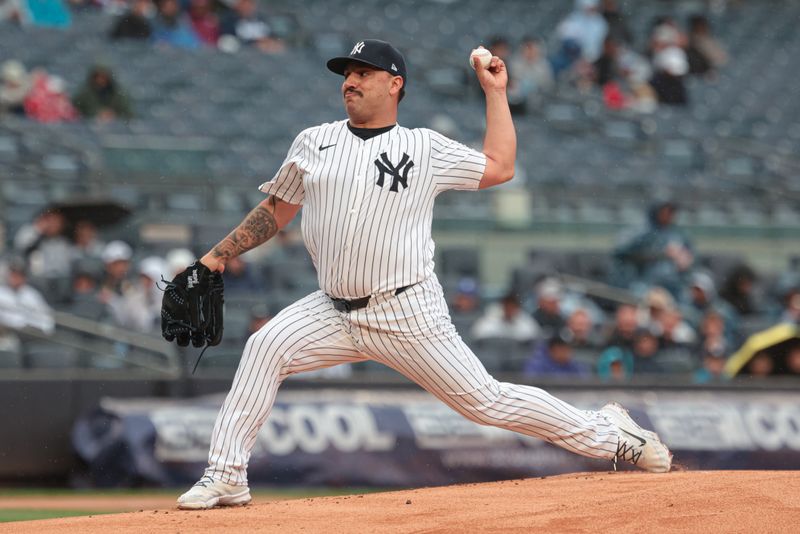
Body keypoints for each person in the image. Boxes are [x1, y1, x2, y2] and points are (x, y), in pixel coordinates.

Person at [176, 38, 671, 510]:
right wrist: (216, 257)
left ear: (395, 84)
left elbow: (500, 166)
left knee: (488, 403)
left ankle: (613, 435)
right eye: (346, 74)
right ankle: (227, 475)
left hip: (406, 311)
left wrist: (495, 93)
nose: (350, 81)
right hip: (330, 307)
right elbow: (278, 208)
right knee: (266, 347)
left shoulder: (424, 147)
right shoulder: (313, 141)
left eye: (362, 73)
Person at [612, 200, 694, 299]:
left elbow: (691, 257)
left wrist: (686, 260)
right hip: (642, 283)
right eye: (665, 211)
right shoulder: (642, 232)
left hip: (673, 284)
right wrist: (661, 254)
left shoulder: (678, 234)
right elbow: (620, 252)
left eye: (671, 211)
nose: (668, 215)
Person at [471, 292, 540, 342]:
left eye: (512, 307)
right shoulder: (490, 318)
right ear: (503, 307)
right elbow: (477, 334)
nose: (509, 310)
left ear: (517, 308)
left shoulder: (526, 321)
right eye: (507, 307)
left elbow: (534, 336)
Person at [523, 332, 590, 378]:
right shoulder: (538, 364)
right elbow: (530, 384)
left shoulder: (575, 366)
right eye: (561, 347)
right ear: (551, 349)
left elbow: (585, 383)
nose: (565, 350)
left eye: (568, 347)